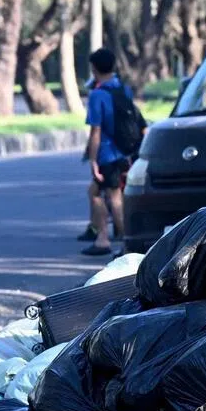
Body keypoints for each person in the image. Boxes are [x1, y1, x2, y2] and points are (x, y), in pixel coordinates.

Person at [81, 48, 134, 257]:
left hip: (107, 154)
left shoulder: (98, 94)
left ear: (94, 68)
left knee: (108, 195)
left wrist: (93, 160)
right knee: (110, 193)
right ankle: (117, 237)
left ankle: (111, 239)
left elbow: (96, 131)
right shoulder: (123, 89)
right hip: (124, 152)